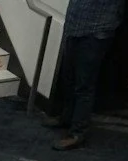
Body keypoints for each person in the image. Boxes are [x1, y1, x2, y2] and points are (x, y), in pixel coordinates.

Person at [49, 0, 119, 149]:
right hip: (74, 24)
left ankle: (77, 133)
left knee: (84, 85)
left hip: (96, 31)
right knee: (68, 77)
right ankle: (66, 118)